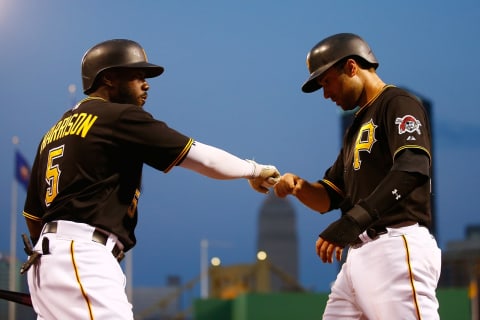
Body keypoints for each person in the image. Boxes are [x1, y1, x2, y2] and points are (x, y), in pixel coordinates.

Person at [21, 39, 280, 319]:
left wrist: (53, 261)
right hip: (81, 255)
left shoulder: (53, 132)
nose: (146, 84)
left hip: (47, 262)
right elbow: (200, 158)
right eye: (137, 76)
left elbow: (34, 217)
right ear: (108, 77)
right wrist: (253, 169)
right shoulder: (117, 116)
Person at [274, 33, 441, 319]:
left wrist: (354, 220)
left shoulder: (398, 102)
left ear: (351, 67)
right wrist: (299, 187)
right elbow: (329, 197)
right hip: (357, 258)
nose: (325, 93)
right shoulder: (356, 127)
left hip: (396, 246)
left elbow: (413, 167)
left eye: (327, 81)